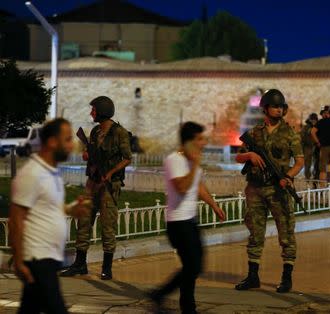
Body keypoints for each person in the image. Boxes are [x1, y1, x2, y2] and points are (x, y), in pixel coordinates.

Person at [9, 118, 90, 314]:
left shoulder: (52, 172)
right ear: (53, 142)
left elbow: (49, 208)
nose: (72, 146)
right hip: (38, 257)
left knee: (30, 309)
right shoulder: (32, 173)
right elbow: (16, 218)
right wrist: (19, 260)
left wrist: (71, 209)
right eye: (68, 139)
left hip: (49, 257)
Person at [148, 122, 225, 313]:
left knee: (193, 267)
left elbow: (198, 186)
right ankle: (159, 294)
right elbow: (182, 187)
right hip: (177, 223)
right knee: (193, 266)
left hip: (190, 220)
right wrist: (196, 164)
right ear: (189, 141)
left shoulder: (192, 161)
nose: (204, 143)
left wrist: (214, 206)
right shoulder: (174, 160)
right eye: (200, 139)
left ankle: (187, 306)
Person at [234, 89, 304, 293]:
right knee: (255, 233)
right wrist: (250, 156)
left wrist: (288, 176)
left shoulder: (290, 133)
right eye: (275, 106)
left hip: (278, 189)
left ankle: (286, 277)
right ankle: (253, 276)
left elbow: (299, 161)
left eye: (281, 106)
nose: (279, 110)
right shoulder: (255, 133)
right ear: (265, 108)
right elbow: (238, 157)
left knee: (286, 234)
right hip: (255, 188)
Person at [61, 96, 132, 280]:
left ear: (102, 111)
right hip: (92, 183)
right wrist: (87, 155)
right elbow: (90, 154)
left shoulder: (119, 133)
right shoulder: (94, 132)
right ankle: (80, 264)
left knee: (108, 226)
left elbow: (127, 158)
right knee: (83, 220)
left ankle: (106, 267)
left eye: (93, 110)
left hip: (109, 185)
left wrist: (110, 173)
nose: (91, 113)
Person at [300, 113, 318, 180]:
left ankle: (315, 178)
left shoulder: (318, 126)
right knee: (307, 165)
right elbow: (301, 138)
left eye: (314, 120)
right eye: (312, 120)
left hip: (316, 147)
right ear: (309, 120)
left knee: (316, 164)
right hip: (307, 148)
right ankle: (307, 178)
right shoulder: (305, 127)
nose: (313, 121)